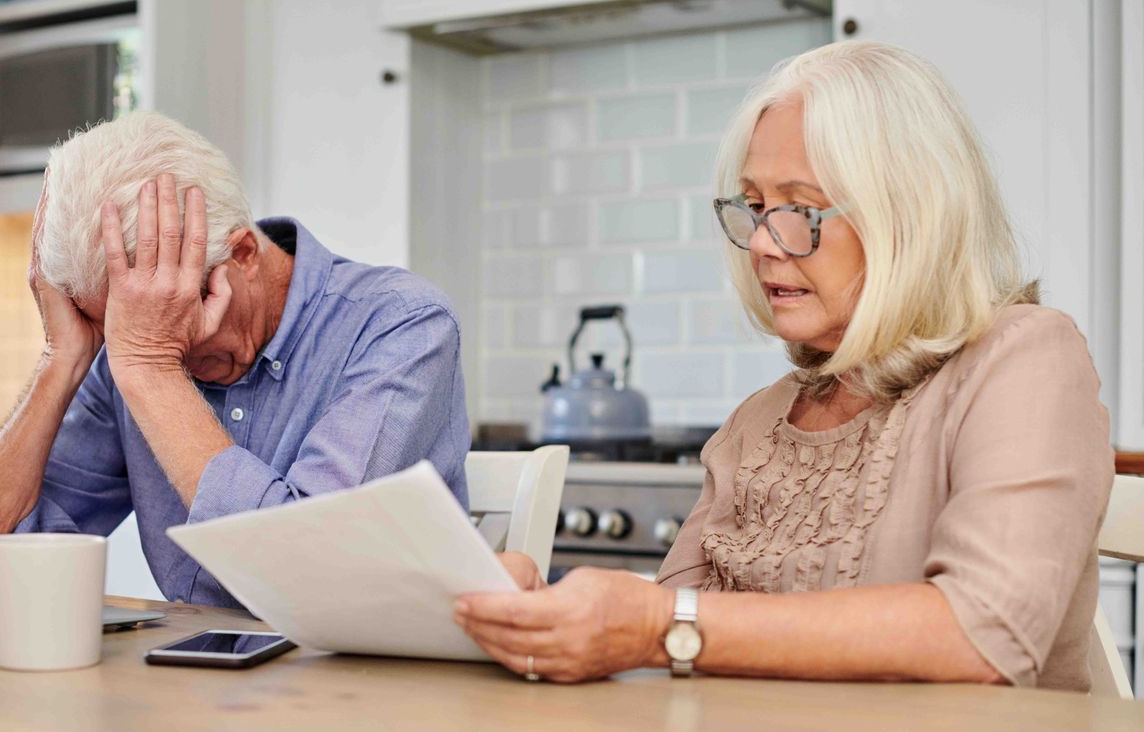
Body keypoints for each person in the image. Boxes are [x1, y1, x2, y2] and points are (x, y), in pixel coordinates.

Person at [456, 41, 1114, 691]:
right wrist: (545, 614)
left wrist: (657, 625)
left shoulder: (1024, 358)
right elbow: (676, 620)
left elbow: (984, 635)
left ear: (908, 215)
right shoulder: (758, 422)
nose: (765, 244)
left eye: (799, 210)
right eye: (754, 207)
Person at [0, 111, 471, 609]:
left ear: (242, 254)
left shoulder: (403, 325)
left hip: (363, 692)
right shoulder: (127, 347)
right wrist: (62, 360)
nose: (157, 339)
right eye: (127, 327)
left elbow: (308, 578)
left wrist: (151, 367)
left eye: (171, 310)